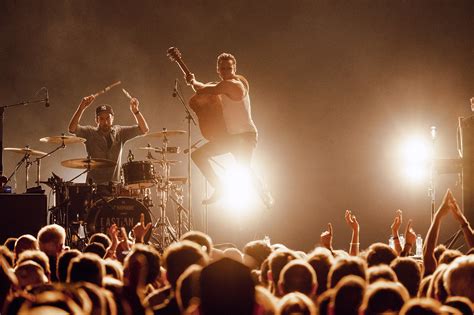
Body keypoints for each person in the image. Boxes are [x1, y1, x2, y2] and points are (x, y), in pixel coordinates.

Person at [185, 52, 273, 207]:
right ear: (218, 70)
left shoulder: (234, 85)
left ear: (234, 69)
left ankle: (264, 193)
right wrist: (194, 81)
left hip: (246, 136)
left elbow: (204, 89)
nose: (226, 71)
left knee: (243, 169)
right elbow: (206, 89)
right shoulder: (221, 87)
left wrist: (193, 81)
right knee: (198, 155)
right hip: (231, 137)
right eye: (223, 69)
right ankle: (220, 187)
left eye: (229, 68)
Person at [68, 94, 149, 184]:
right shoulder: (89, 132)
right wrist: (81, 108)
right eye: (101, 119)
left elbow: (144, 129)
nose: (105, 122)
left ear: (112, 118)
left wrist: (136, 111)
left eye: (108, 118)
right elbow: (72, 129)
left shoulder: (119, 132)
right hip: (93, 187)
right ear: (96, 120)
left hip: (115, 186)